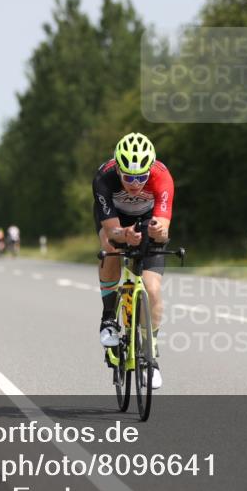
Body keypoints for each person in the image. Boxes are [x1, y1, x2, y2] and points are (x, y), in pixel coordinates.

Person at [93, 132, 174, 389]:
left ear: (150, 169)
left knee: (152, 289)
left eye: (141, 177)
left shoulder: (162, 177)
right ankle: (108, 317)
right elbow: (112, 231)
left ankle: (151, 356)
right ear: (118, 168)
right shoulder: (103, 178)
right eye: (128, 177)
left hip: (147, 218)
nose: (135, 183)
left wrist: (159, 231)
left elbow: (164, 224)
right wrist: (123, 235)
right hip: (115, 219)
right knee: (111, 247)